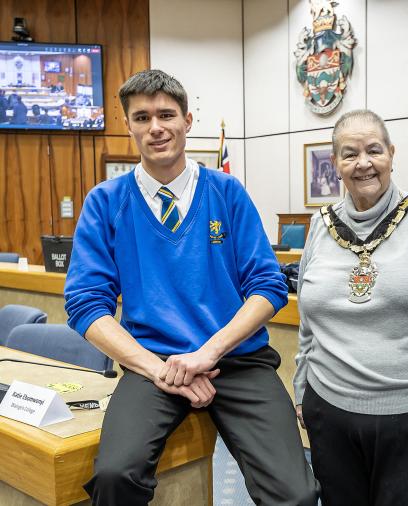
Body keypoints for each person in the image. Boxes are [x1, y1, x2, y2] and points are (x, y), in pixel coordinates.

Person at [64, 69, 317, 506]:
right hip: (152, 365)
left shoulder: (226, 192)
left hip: (238, 361)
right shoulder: (105, 202)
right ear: (129, 126)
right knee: (114, 475)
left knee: (295, 494)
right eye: (142, 118)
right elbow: (86, 304)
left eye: (166, 115)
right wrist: (157, 368)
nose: (156, 127)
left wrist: (208, 353)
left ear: (188, 121)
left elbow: (269, 286)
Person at [293, 109, 408, 506]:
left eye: (374, 150)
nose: (364, 163)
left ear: (391, 154)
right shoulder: (320, 224)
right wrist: (301, 388)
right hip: (330, 410)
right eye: (349, 154)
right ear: (334, 164)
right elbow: (308, 318)